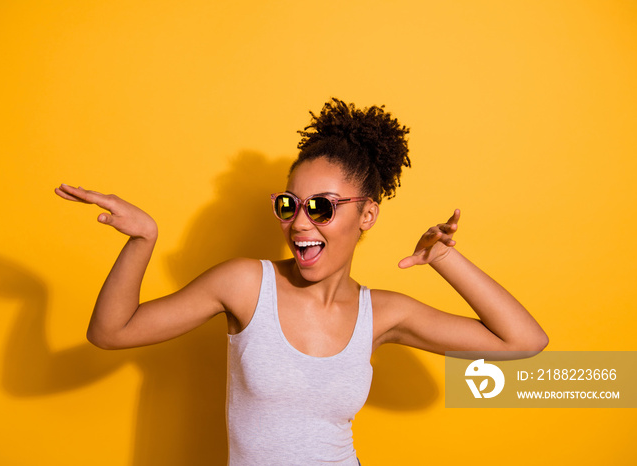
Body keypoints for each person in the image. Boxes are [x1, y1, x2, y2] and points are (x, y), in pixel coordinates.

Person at [54, 98, 548, 465]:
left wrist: (442, 257)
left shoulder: (383, 314)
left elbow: (524, 341)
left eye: (321, 207)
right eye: (289, 205)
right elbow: (111, 332)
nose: (299, 224)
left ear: (368, 214)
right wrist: (143, 239)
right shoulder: (247, 285)